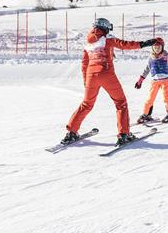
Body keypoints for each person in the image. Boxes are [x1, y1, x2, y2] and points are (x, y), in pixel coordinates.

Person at [62, 18, 157, 146]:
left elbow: (84, 64)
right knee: (121, 103)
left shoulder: (88, 44)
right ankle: (124, 134)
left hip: (91, 76)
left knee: (86, 104)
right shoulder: (108, 39)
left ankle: (71, 132)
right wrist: (144, 44)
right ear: (105, 28)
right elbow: (126, 44)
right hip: (106, 73)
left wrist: (86, 81)